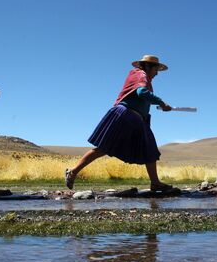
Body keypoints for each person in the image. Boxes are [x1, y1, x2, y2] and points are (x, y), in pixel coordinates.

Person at [65, 55, 175, 191]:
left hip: (135, 119)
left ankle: (155, 182)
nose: (157, 73)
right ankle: (73, 171)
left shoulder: (140, 76)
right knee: (104, 147)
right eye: (156, 69)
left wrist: (158, 106)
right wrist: (161, 102)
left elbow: (142, 98)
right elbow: (141, 92)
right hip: (126, 115)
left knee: (149, 148)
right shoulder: (140, 74)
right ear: (148, 67)